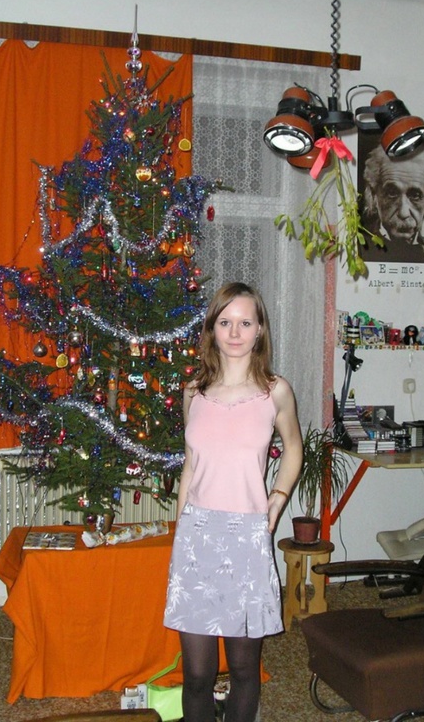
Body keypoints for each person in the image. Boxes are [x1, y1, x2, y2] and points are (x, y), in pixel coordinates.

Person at [164, 281, 303, 722]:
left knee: (244, 669)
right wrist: (181, 533)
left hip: (246, 537)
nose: (235, 332)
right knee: (197, 674)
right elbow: (190, 465)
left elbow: (294, 448)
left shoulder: (275, 391)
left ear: (260, 329)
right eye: (225, 322)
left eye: (245, 322)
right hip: (198, 536)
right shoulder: (194, 392)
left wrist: (277, 498)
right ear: (212, 329)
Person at [360, 144, 424, 263]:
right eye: (391, 194)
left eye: (415, 196)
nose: (404, 213)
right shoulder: (359, 240)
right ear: (374, 195)